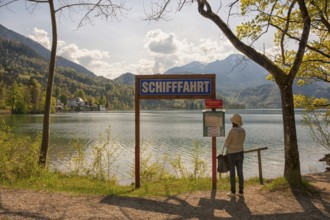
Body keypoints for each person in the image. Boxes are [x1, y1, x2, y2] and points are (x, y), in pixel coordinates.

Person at [224, 114, 246, 197]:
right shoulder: (243, 130)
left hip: (232, 154)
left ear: (233, 122)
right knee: (240, 172)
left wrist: (226, 145)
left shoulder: (232, 131)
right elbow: (243, 141)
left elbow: (227, 143)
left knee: (232, 173)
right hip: (240, 152)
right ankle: (241, 192)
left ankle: (233, 192)